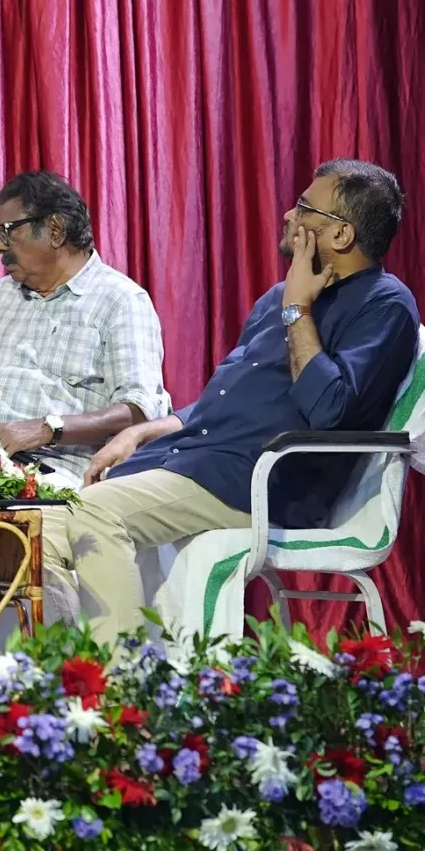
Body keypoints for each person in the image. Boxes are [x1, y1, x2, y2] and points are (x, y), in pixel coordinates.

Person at [43, 159, 417, 646]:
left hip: (255, 481)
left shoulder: (383, 304)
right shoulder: (278, 297)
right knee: (36, 533)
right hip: (195, 460)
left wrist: (297, 309)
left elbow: (331, 411)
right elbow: (219, 406)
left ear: (342, 235)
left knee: (94, 513)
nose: (289, 215)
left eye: (304, 208)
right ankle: (69, 675)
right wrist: (140, 431)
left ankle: (125, 683)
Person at [0, 171, 169, 487]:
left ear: (55, 230)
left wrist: (47, 428)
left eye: (8, 232)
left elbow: (139, 409)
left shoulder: (120, 301)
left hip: (47, 471)